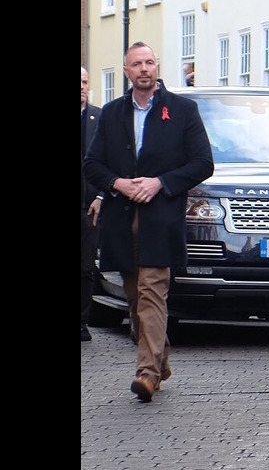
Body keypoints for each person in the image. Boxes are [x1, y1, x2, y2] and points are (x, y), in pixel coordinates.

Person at [83, 42, 215, 401]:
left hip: (161, 217)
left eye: (150, 63)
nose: (144, 69)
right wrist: (119, 183)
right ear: (126, 71)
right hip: (122, 219)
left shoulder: (183, 110)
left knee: (151, 292)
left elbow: (203, 163)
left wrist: (161, 183)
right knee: (133, 297)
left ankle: (146, 372)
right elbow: (92, 165)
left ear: (157, 67)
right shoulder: (111, 114)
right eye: (137, 64)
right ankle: (160, 357)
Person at [81, 66, 103, 342]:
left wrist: (100, 196)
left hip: (90, 206)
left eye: (85, 82)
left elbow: (108, 161)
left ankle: (82, 321)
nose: (82, 87)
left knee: (85, 266)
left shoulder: (100, 119)